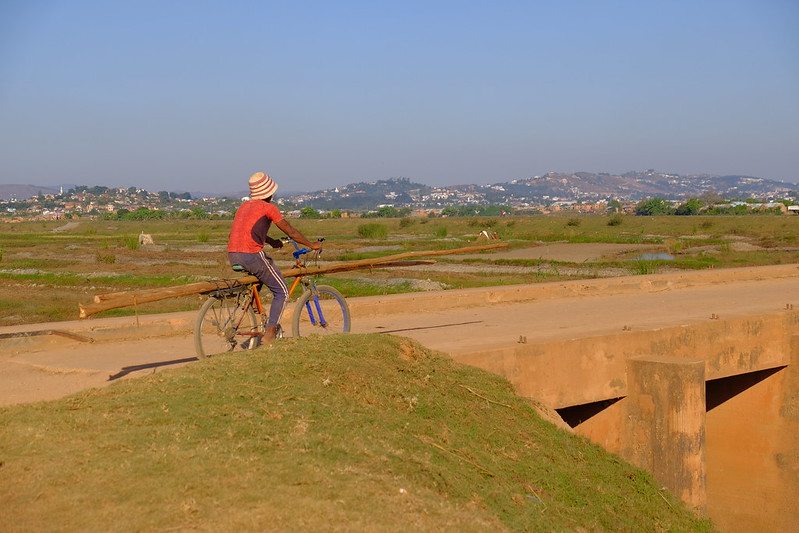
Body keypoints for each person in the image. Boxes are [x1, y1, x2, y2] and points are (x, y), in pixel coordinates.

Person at [227, 172, 322, 343]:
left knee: (262, 275)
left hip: (233, 255)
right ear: (269, 193)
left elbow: (249, 232)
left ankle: (253, 305)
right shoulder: (269, 208)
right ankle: (270, 332)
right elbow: (291, 232)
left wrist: (271, 241)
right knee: (282, 291)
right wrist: (311, 244)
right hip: (251, 255)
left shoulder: (244, 207)